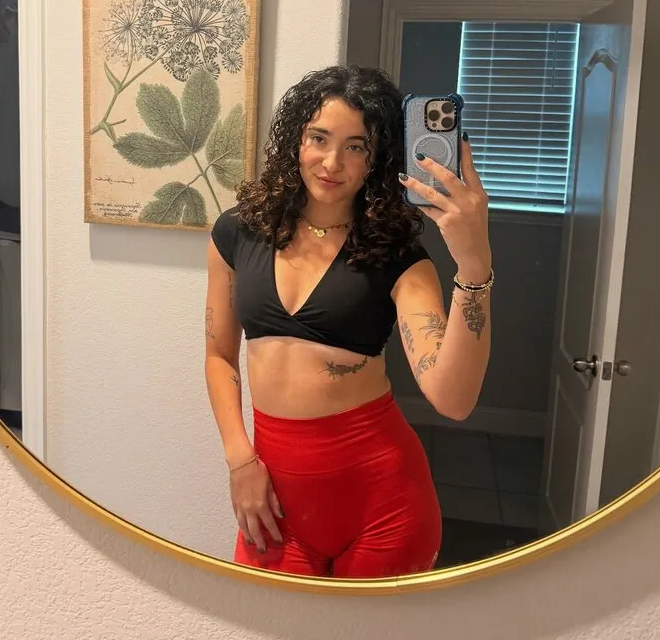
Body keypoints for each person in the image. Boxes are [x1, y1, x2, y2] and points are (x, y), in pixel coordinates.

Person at [204, 65, 492, 578]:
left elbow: (453, 399)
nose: (332, 162)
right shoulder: (237, 233)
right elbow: (219, 356)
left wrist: (473, 266)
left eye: (355, 146)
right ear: (297, 139)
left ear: (376, 158)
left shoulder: (399, 258)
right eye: (319, 138)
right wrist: (239, 460)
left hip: (384, 508)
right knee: (265, 631)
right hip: (274, 506)